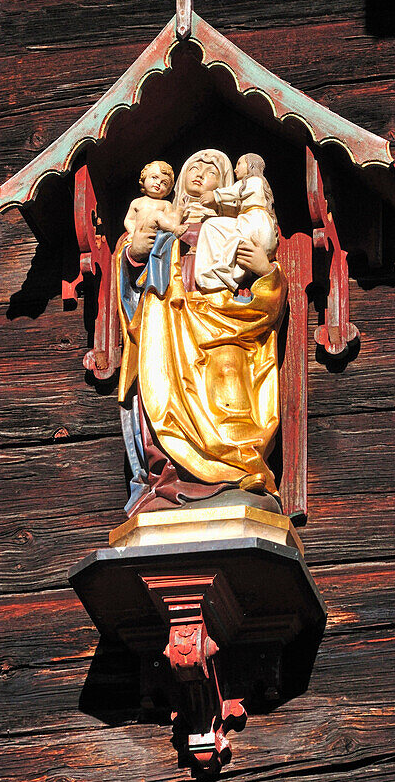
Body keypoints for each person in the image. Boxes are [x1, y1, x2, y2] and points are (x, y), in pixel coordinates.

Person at [116, 149, 287, 517]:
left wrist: (264, 269)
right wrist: (133, 254)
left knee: (229, 383)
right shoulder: (164, 216)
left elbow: (270, 291)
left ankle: (239, 471)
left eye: (212, 171)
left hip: (223, 317)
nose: (200, 174)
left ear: (225, 186)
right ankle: (169, 476)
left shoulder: (236, 225)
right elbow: (129, 271)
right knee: (159, 391)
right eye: (193, 166)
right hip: (165, 319)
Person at [194, 153, 278, 293]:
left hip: (254, 224)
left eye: (239, 164)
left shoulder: (254, 180)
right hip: (252, 223)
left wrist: (214, 195)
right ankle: (223, 273)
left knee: (212, 227)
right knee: (216, 228)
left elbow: (236, 192)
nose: (235, 169)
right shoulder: (254, 185)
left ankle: (219, 275)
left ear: (251, 165)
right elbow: (233, 207)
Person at [122, 160, 186, 242]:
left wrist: (180, 209)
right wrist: (132, 232)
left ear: (168, 190)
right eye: (154, 178)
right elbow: (129, 220)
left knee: (158, 215)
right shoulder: (137, 202)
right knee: (157, 215)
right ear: (144, 178)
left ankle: (174, 230)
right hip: (139, 234)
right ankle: (174, 229)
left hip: (155, 237)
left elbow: (170, 220)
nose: (158, 183)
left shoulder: (166, 204)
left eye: (164, 183)